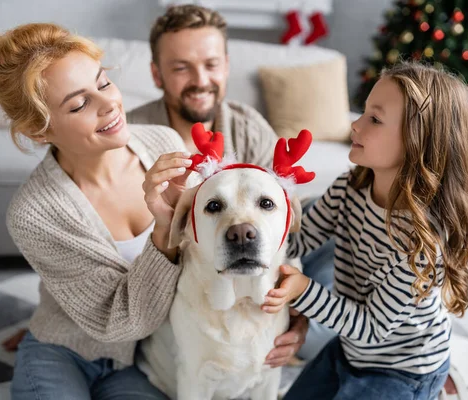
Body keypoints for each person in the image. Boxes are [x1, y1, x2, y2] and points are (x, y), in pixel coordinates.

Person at [0, 22, 195, 399]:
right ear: (39, 130)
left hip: (143, 357)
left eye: (103, 83)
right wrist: (163, 230)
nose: (109, 103)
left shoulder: (164, 142)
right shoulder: (34, 213)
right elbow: (116, 323)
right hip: (65, 351)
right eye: (79, 104)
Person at [127, 4, 337, 364]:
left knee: (335, 211)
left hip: (249, 275)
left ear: (225, 65)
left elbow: (281, 222)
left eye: (210, 65)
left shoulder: (248, 127)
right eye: (180, 68)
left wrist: (297, 315)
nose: (200, 80)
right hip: (179, 286)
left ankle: (310, 332)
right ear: (156, 74)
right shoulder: (133, 138)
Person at [263, 62, 468, 400]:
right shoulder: (350, 186)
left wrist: (303, 291)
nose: (355, 124)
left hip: (403, 369)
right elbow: (299, 242)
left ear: (416, 142)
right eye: (364, 113)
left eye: (374, 119)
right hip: (350, 348)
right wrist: (256, 223)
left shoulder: (420, 243)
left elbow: (372, 329)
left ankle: (440, 390)